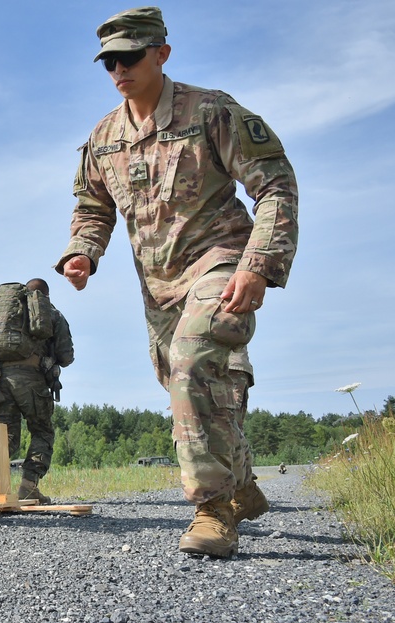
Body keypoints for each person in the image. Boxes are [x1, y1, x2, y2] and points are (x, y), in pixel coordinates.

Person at [55, 7, 298, 557]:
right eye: (108, 61)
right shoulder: (104, 136)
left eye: (130, 56)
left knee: (192, 366)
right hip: (158, 284)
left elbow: (276, 185)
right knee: (193, 386)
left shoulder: (210, 111)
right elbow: (92, 205)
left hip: (222, 260)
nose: (118, 68)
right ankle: (243, 486)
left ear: (162, 53)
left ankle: (212, 513)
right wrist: (82, 253)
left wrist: (258, 264)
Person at [0, 279, 74, 504]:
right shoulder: (50, 314)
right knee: (42, 431)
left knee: (5, 437)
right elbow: (66, 356)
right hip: (31, 382)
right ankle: (28, 486)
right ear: (44, 296)